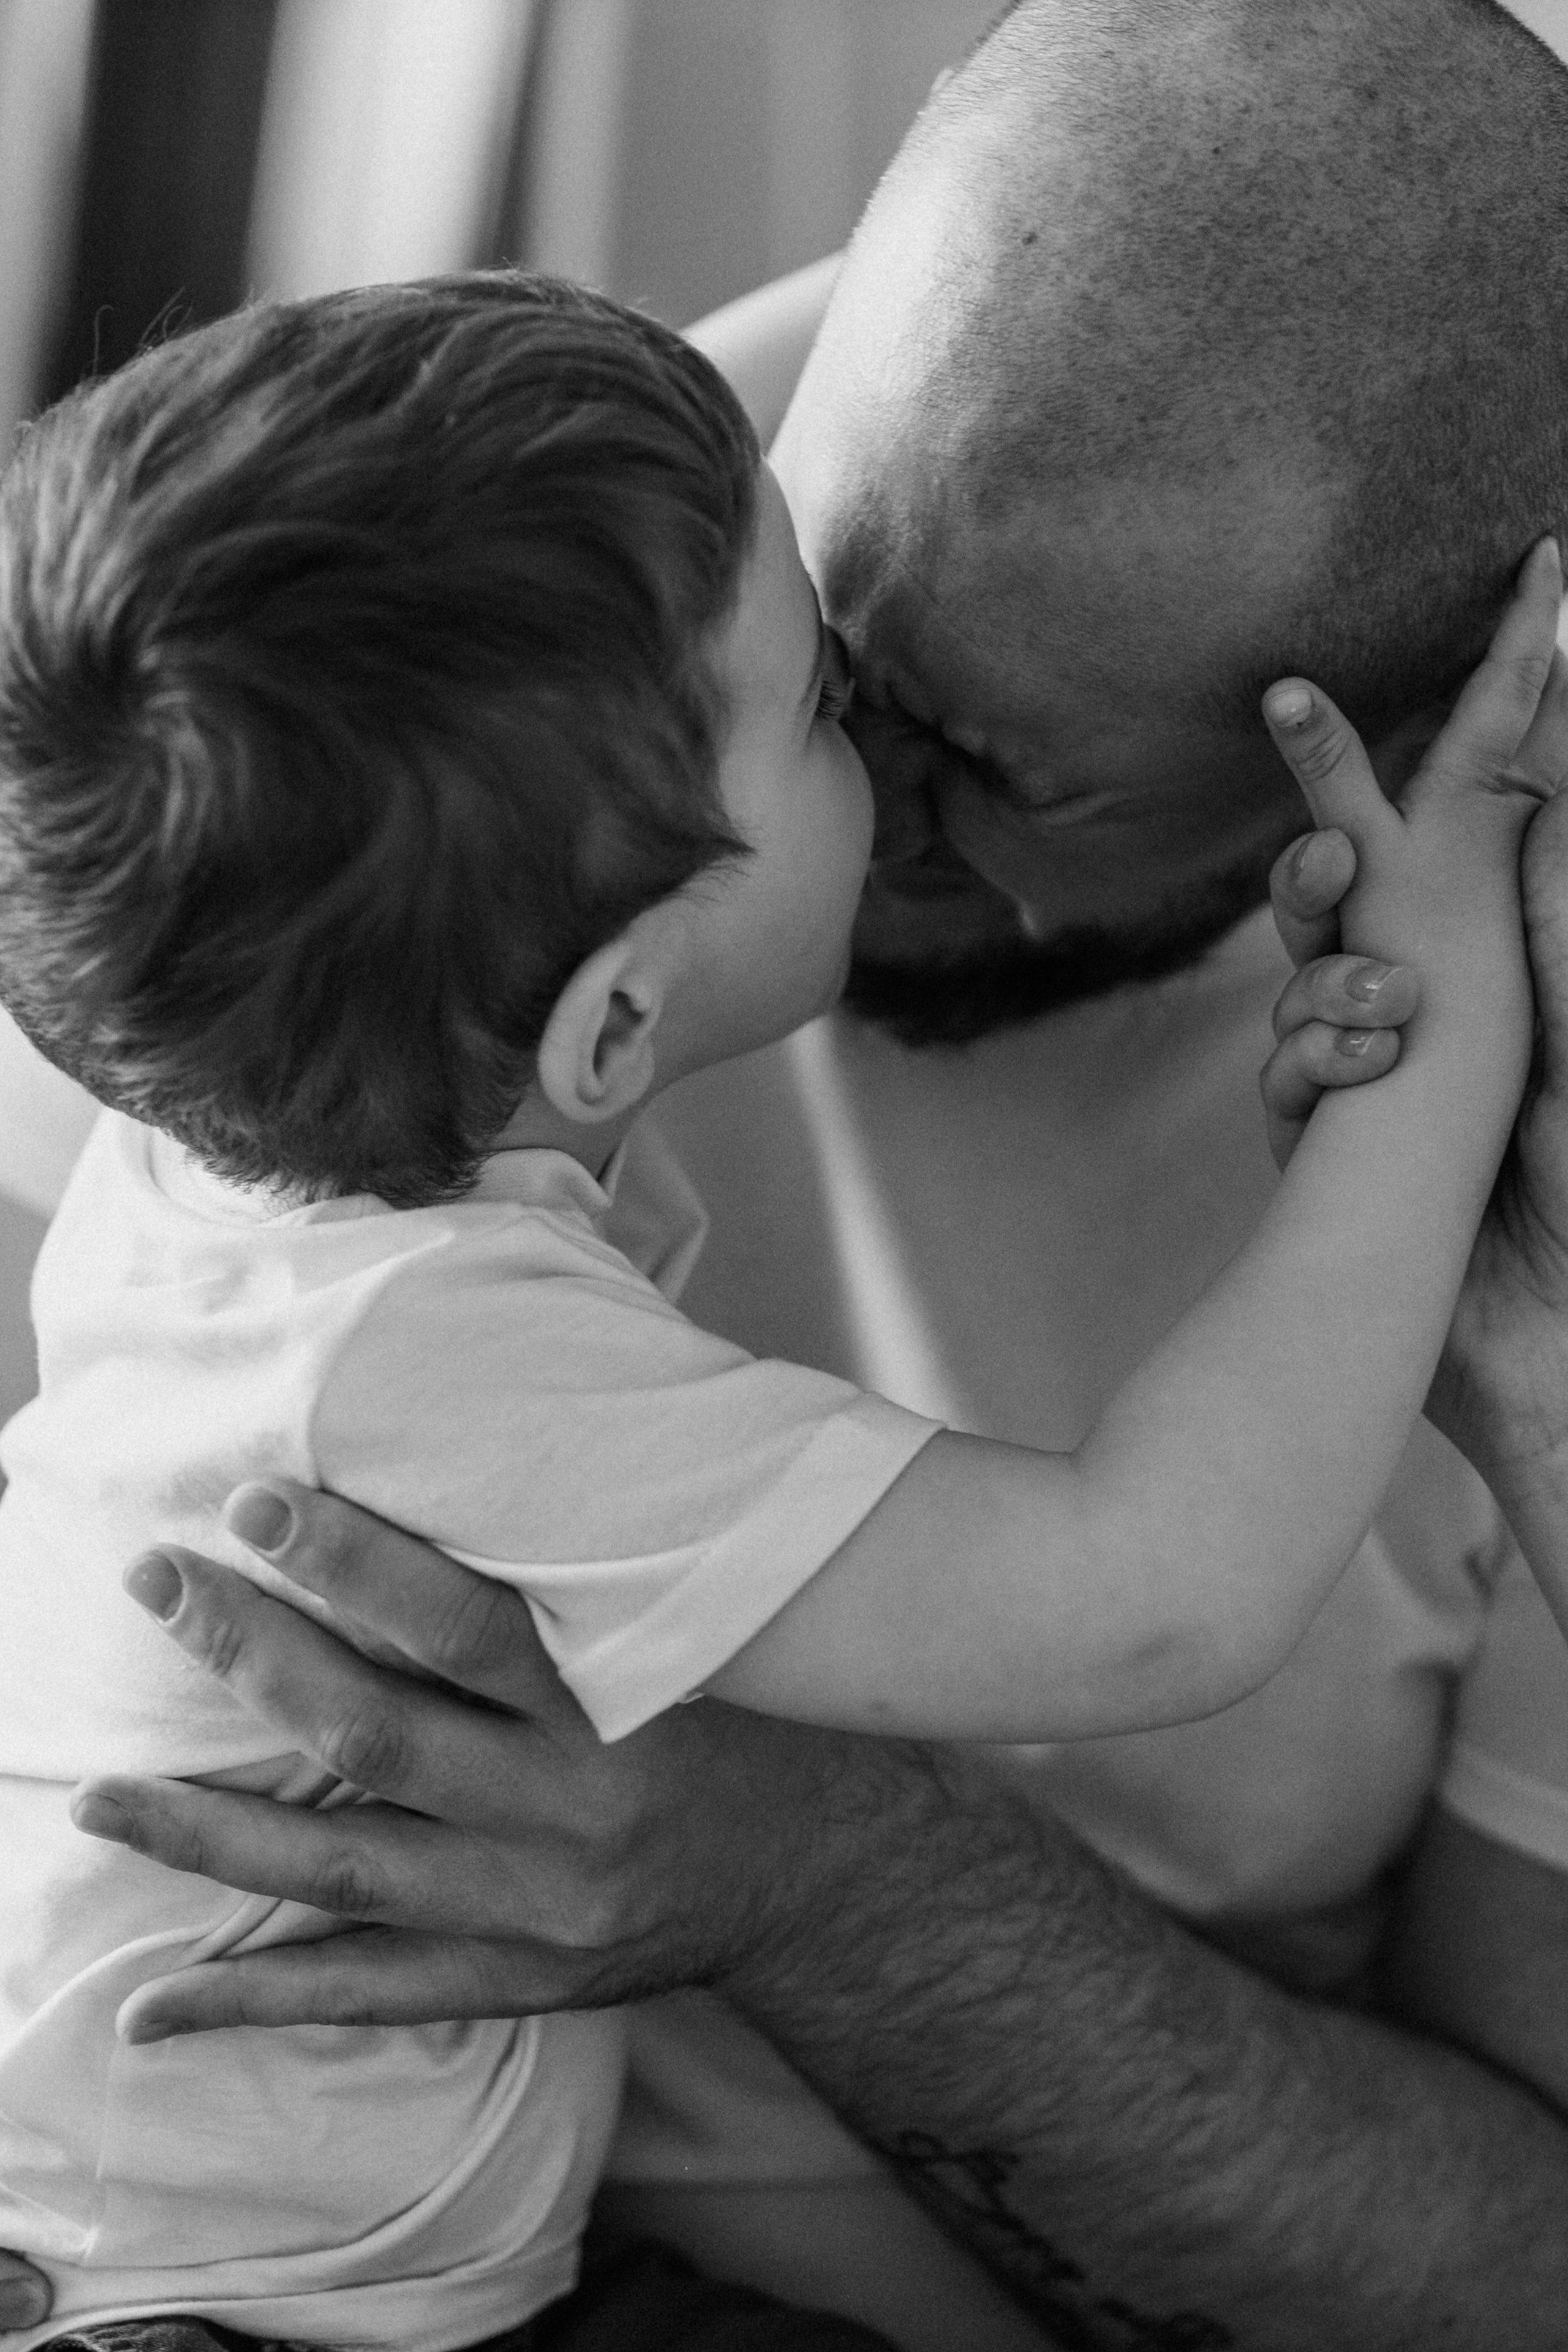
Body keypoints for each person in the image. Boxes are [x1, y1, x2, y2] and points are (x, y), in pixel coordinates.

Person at [6, 0, 1568, 2345]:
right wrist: (1424, 1079)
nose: (849, 718)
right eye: (839, 679)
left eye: (945, 748)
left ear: (1397, 739)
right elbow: (1163, 1588)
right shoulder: (531, 635)